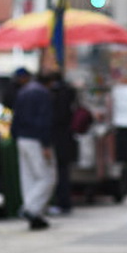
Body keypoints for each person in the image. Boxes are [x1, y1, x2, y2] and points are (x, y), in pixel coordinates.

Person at [11, 72, 57, 230]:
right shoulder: (43, 94)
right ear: (50, 82)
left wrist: (15, 136)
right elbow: (45, 120)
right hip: (36, 139)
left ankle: (35, 214)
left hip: (22, 138)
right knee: (47, 177)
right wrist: (46, 144)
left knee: (29, 177)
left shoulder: (23, 91)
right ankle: (30, 209)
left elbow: (15, 117)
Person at [47, 72, 78, 215]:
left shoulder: (58, 97)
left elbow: (57, 118)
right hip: (66, 139)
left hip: (59, 140)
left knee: (59, 173)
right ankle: (64, 203)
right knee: (63, 173)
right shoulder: (69, 94)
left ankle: (62, 203)